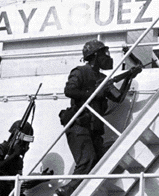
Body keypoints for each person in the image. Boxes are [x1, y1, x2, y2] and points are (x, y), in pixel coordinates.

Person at [54, 40, 142, 196]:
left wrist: (129, 77)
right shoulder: (80, 72)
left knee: (100, 161)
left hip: (94, 129)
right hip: (79, 126)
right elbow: (69, 90)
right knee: (87, 161)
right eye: (103, 53)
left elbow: (118, 98)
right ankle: (64, 191)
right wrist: (94, 94)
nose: (106, 57)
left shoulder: (102, 78)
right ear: (94, 55)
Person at [0, 120, 53, 196]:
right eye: (26, 144)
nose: (27, 147)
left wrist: (40, 179)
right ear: (18, 141)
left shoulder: (18, 160)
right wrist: (14, 155)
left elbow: (18, 185)